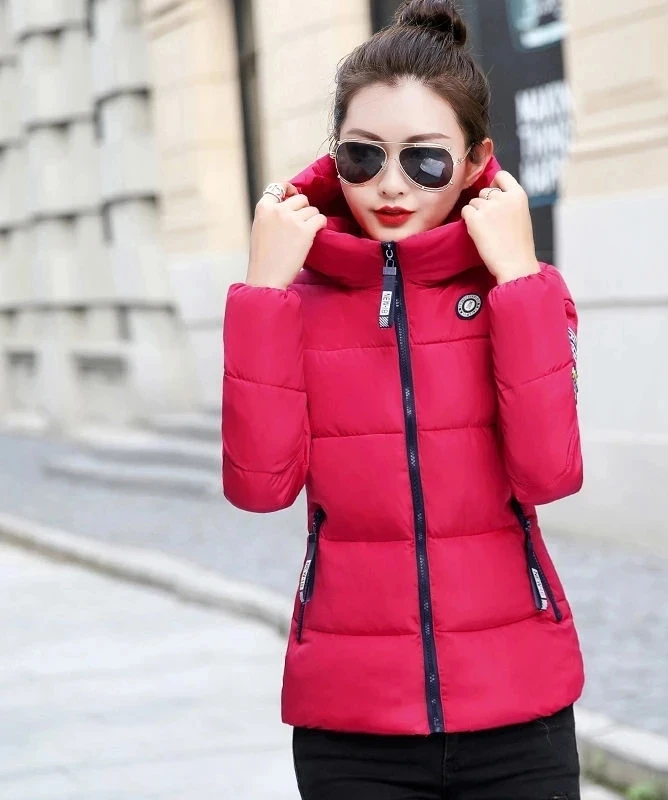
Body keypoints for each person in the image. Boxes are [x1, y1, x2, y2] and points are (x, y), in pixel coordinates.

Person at [221, 1, 584, 797]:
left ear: (476, 161)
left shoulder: (521, 289)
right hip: (350, 724)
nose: (389, 185)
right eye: (363, 156)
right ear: (334, 158)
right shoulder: (292, 300)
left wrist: (520, 280)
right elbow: (260, 486)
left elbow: (549, 473)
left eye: (425, 160)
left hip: (518, 712)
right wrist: (263, 293)